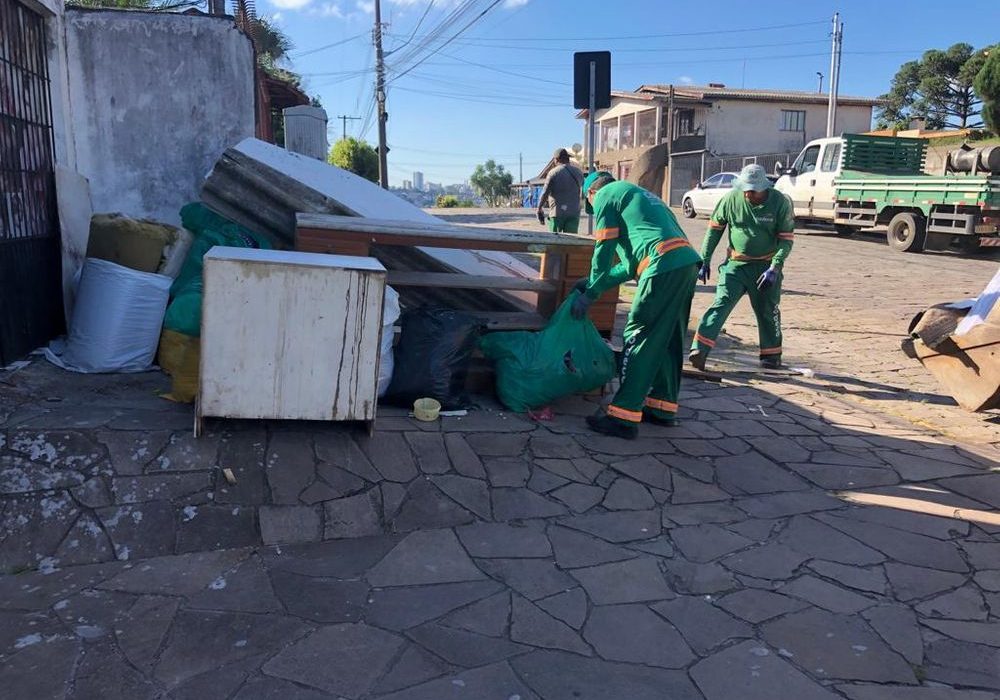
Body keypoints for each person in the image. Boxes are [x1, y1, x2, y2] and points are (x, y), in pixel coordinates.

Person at [571, 171, 702, 440]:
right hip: (686, 265)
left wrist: (591, 293)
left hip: (662, 267)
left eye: (590, 204)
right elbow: (631, 266)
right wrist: (596, 282)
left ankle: (623, 416)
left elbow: (603, 249)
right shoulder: (639, 197)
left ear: (591, 193)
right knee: (669, 340)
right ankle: (663, 408)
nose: (593, 210)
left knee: (639, 336)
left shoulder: (607, 195)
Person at [689, 163, 795, 371]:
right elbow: (714, 230)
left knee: (768, 309)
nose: (748, 193)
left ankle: (771, 355)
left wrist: (775, 267)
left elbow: (786, 239)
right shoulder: (731, 199)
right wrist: (705, 259)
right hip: (735, 265)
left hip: (765, 267)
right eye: (745, 188)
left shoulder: (780, 203)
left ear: (764, 187)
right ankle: (699, 349)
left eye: (753, 190)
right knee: (721, 303)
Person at [536, 148, 584, 232]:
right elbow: (583, 190)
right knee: (570, 241)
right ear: (568, 158)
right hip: (574, 212)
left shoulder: (553, 173)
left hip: (557, 212)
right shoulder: (579, 172)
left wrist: (539, 208)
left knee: (555, 242)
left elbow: (545, 193)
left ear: (557, 159)